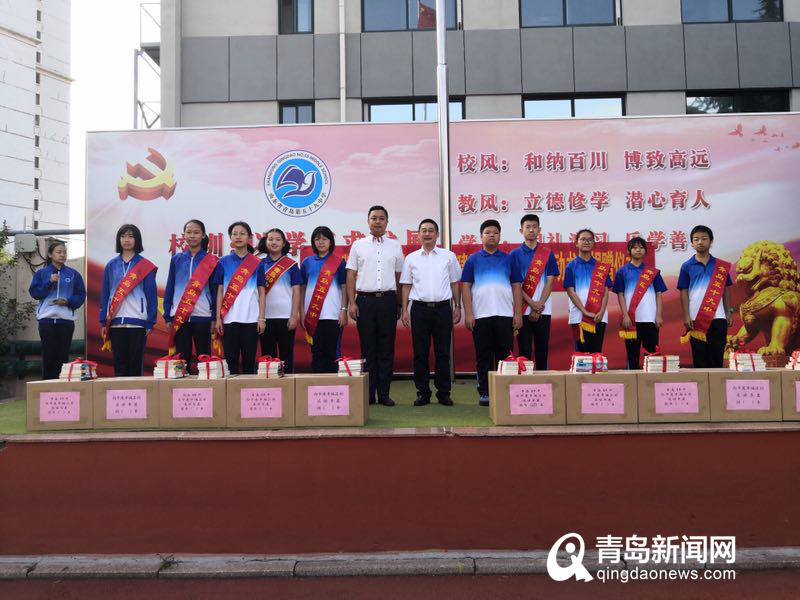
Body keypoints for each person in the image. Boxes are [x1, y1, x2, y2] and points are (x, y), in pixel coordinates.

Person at [346, 205, 405, 406]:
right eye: (374, 218)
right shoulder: (358, 245)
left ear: (387, 222)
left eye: (381, 218)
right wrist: (352, 302)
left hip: (388, 301)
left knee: (386, 349)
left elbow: (399, 277)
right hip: (365, 301)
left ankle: (384, 394)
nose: (377, 221)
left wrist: (399, 304)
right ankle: (369, 394)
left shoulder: (395, 246)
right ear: (368, 221)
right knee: (368, 349)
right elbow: (351, 275)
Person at [400, 218, 462, 406]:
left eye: (431, 230)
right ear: (418, 234)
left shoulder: (448, 256)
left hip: (443, 309)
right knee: (420, 353)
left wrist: (457, 306)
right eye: (423, 230)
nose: (427, 233)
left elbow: (454, 283)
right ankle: (423, 393)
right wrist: (404, 310)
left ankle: (443, 393)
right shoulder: (411, 258)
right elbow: (406, 285)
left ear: (437, 234)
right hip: (419, 310)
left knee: (443, 352)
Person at [461, 219, 523, 407]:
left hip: (505, 315)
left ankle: (504, 391)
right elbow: (466, 287)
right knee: (483, 355)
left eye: (495, 232)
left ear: (500, 236)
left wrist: (518, 313)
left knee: (505, 355)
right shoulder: (473, 260)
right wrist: (468, 313)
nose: (492, 235)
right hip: (481, 315)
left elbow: (516, 286)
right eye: (488, 232)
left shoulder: (509, 259)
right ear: (481, 236)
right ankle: (485, 392)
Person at [99, 224, 158, 376]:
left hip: (138, 322)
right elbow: (105, 294)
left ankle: (137, 392)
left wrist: (150, 320)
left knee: (135, 364)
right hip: (115, 322)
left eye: (131, 236)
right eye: (123, 236)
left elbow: (151, 295)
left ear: (137, 240)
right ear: (118, 239)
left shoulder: (145, 265)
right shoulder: (111, 265)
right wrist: (103, 321)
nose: (127, 240)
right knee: (119, 363)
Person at [163, 219, 218, 374]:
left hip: (203, 315)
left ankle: (206, 387)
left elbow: (215, 291)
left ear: (203, 235)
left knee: (204, 357)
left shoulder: (212, 261)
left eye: (196, 232)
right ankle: (182, 387)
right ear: (184, 235)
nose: (192, 235)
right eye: (189, 232)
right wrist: (167, 315)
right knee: (181, 357)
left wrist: (214, 316)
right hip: (180, 316)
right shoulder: (177, 259)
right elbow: (170, 286)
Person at [678, 225, 733, 368]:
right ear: (692, 243)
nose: (700, 242)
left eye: (704, 239)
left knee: (717, 358)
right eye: (696, 239)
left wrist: (728, 311)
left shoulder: (721, 266)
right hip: (696, 318)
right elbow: (683, 291)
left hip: (719, 317)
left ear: (711, 241)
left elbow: (726, 290)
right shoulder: (686, 266)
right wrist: (686, 315)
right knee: (699, 359)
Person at [212, 221, 264, 374]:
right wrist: (218, 318)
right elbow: (220, 291)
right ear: (230, 237)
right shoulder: (223, 262)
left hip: (251, 319)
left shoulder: (257, 263)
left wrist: (262, 318)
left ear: (249, 237)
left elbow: (261, 291)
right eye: (235, 234)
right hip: (229, 319)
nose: (238, 237)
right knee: (230, 361)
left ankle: (248, 390)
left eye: (242, 233)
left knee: (249, 361)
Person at [29, 241, 86, 379]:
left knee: (62, 356)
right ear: (50, 254)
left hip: (66, 321)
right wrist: (49, 282)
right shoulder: (42, 273)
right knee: (48, 356)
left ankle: (62, 386)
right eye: (59, 252)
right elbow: (35, 293)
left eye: (64, 252)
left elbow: (81, 295)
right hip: (46, 321)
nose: (62, 255)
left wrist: (68, 301)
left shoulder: (73, 274)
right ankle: (47, 386)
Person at [510, 214, 559, 370]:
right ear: (521, 230)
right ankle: (525, 382)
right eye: (528, 227)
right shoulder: (514, 255)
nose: (531, 230)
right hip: (522, 310)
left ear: (539, 230)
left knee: (542, 351)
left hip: (544, 310)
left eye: (534, 227)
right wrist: (532, 304)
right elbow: (515, 284)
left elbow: (550, 281)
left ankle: (543, 382)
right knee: (524, 352)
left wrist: (539, 306)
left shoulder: (548, 253)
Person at [613, 236, 667, 369]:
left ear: (646, 251)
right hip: (631, 320)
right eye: (635, 247)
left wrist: (658, 315)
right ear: (629, 251)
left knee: (652, 354)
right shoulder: (622, 272)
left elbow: (659, 294)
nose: (638, 250)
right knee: (632, 356)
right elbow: (620, 295)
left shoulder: (653, 272)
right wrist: (625, 315)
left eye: (641, 247)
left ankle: (651, 381)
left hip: (650, 319)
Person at [300, 226, 348, 374]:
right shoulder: (307, 262)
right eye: (317, 239)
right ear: (313, 242)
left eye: (324, 239)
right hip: (312, 316)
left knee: (332, 353)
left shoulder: (339, 262)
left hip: (333, 315)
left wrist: (343, 310)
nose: (321, 242)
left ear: (330, 241)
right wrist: (301, 312)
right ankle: (317, 385)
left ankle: (334, 386)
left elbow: (344, 288)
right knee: (316, 352)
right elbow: (302, 289)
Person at [257, 229, 302, 373]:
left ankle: (288, 385)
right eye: (270, 239)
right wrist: (260, 318)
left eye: (277, 239)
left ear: (283, 243)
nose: (274, 242)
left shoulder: (291, 265)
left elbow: (296, 292)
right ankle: (270, 385)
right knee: (267, 356)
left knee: (286, 355)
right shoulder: (259, 264)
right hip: (265, 318)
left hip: (286, 317)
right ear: (266, 242)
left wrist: (293, 316)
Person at [563, 228, 613, 353]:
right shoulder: (571, 266)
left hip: (598, 316)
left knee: (597, 354)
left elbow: (605, 292)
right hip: (579, 317)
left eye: (590, 240)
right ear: (576, 243)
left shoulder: (601, 267)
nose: (586, 242)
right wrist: (585, 311)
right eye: (583, 239)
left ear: (593, 243)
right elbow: (570, 292)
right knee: (582, 356)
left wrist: (601, 311)